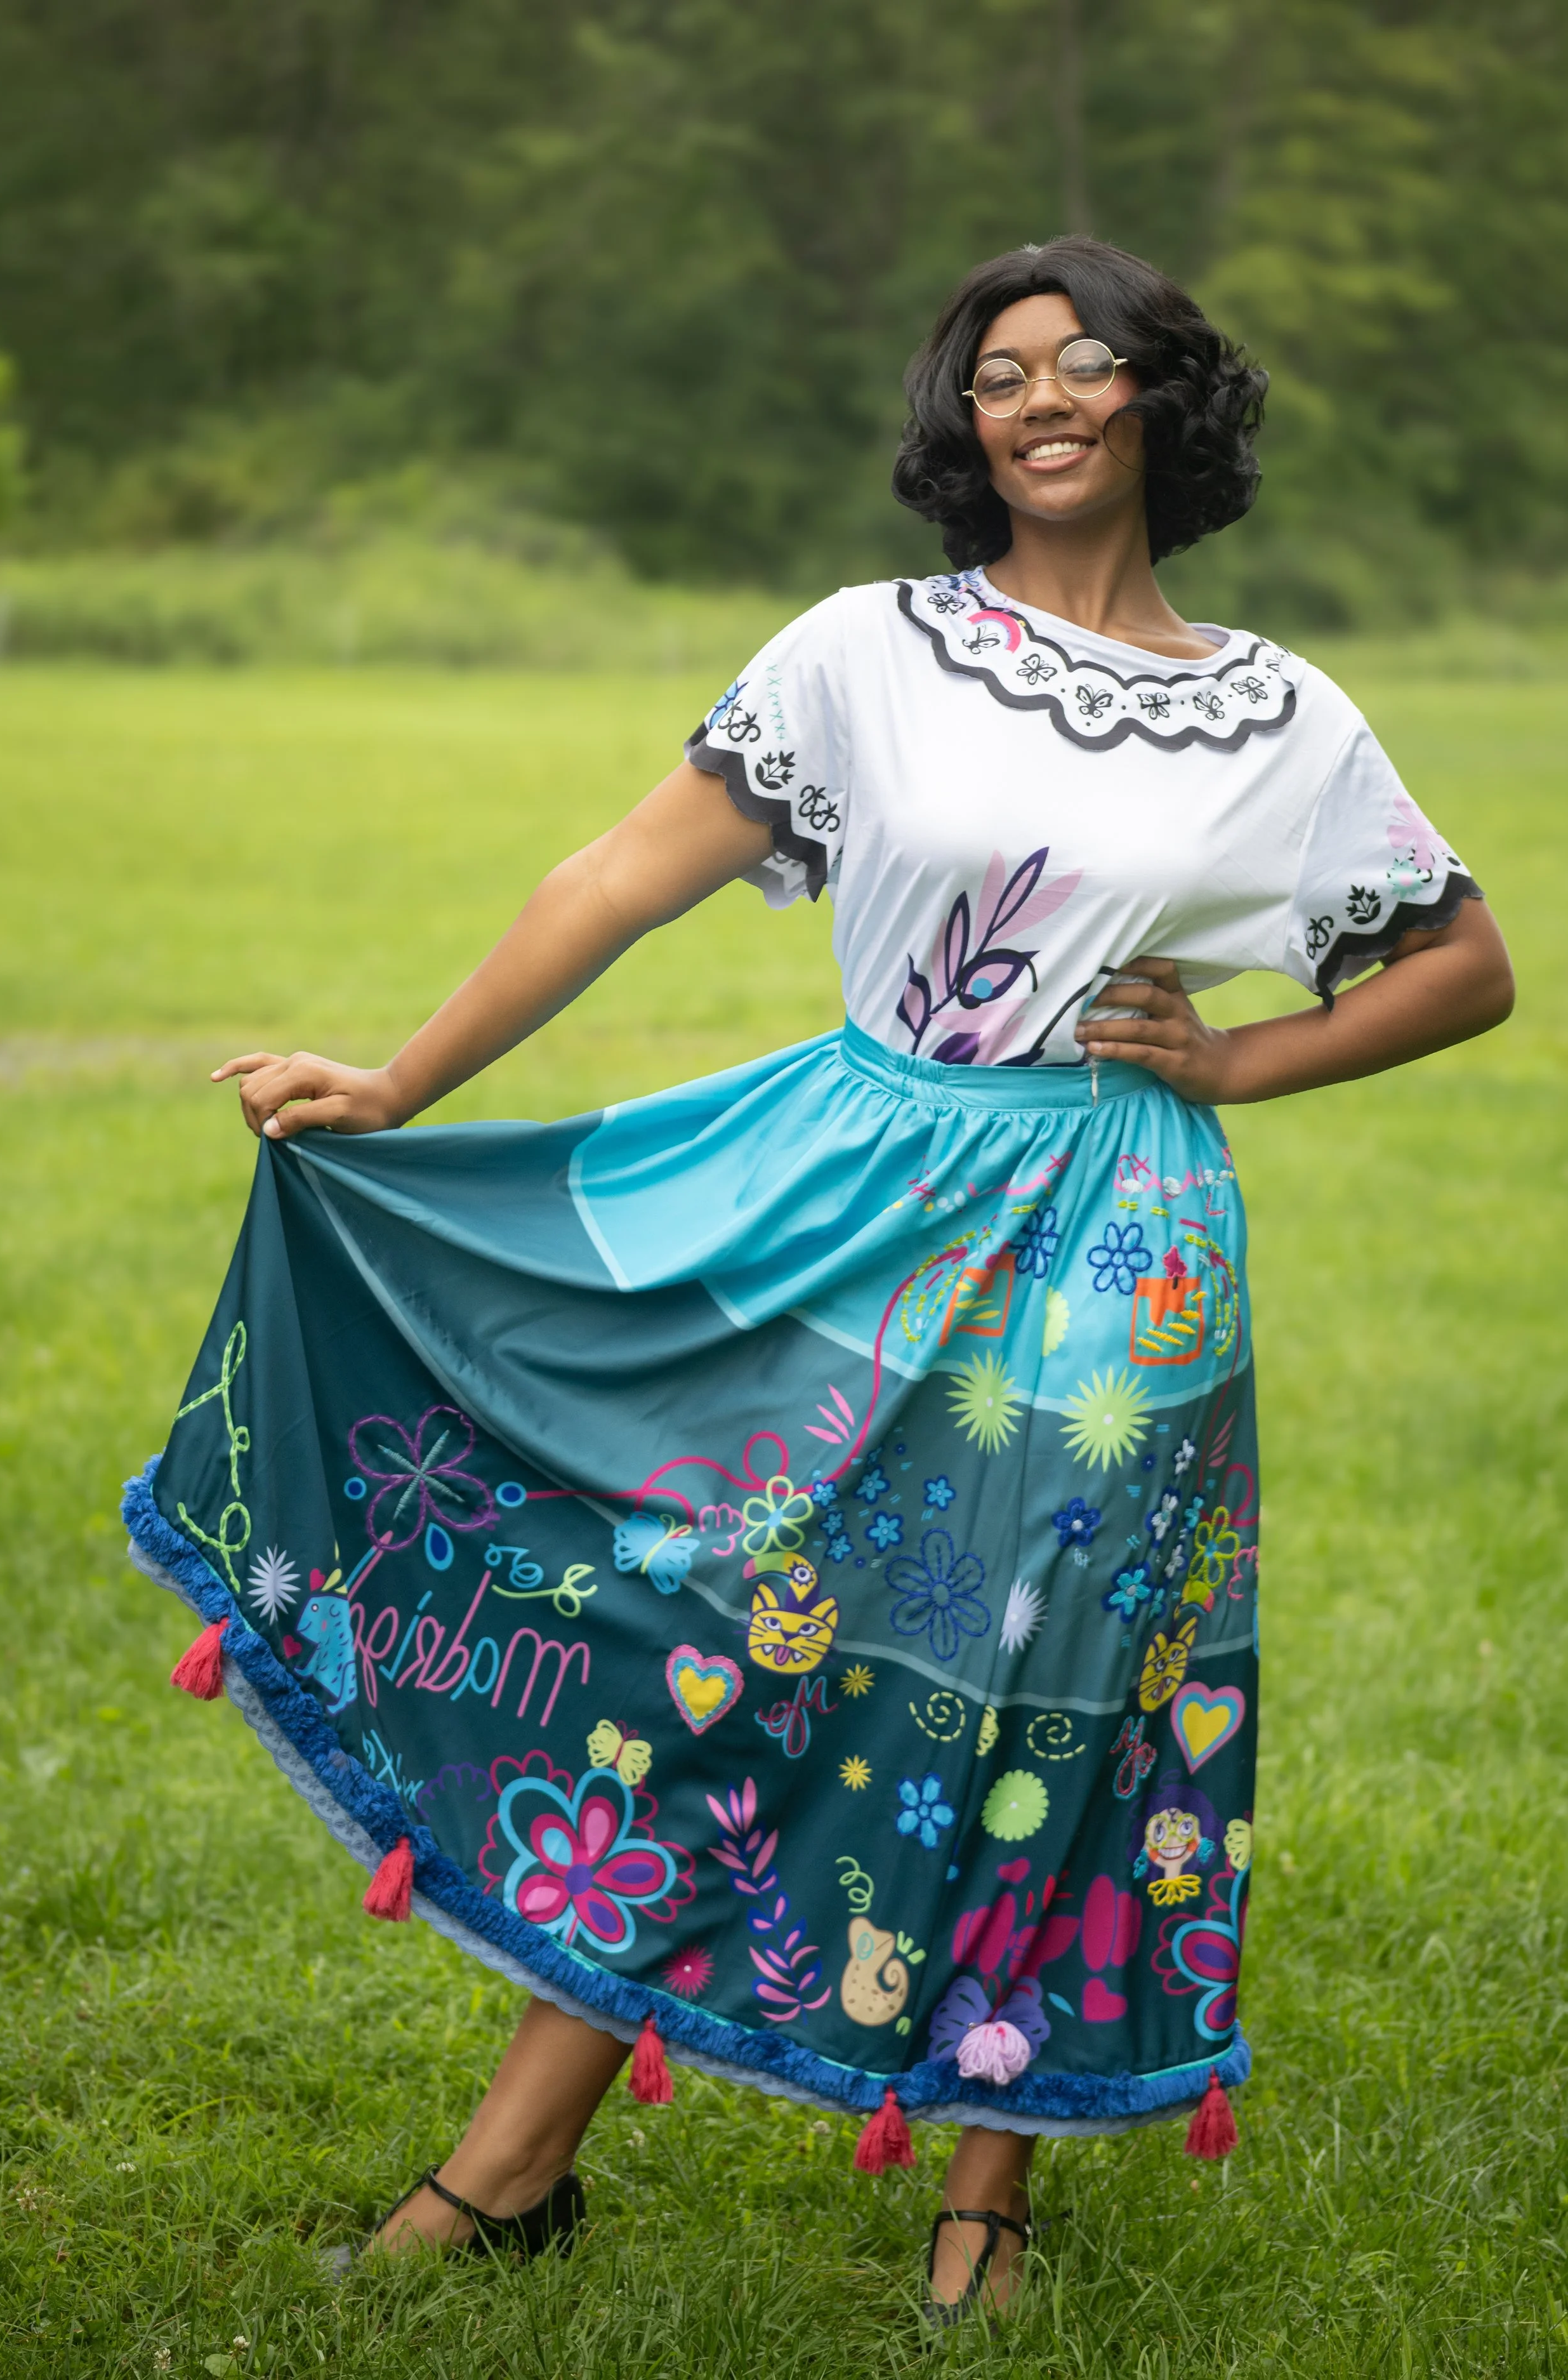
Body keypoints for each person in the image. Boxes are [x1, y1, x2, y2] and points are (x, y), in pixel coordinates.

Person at [125, 235, 1513, 2326]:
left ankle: (986, 2198)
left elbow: (1461, 966)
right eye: (995, 373)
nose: (1037, 399)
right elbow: (619, 872)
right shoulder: (867, 651)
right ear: (965, 423)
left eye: (1081, 360)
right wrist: (401, 1080)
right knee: (728, 1628)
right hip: (856, 1194)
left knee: (1053, 1681)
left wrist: (1237, 1061)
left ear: (1161, 395)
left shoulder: (1280, 714)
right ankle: (514, 2168)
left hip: (1115, 1251)